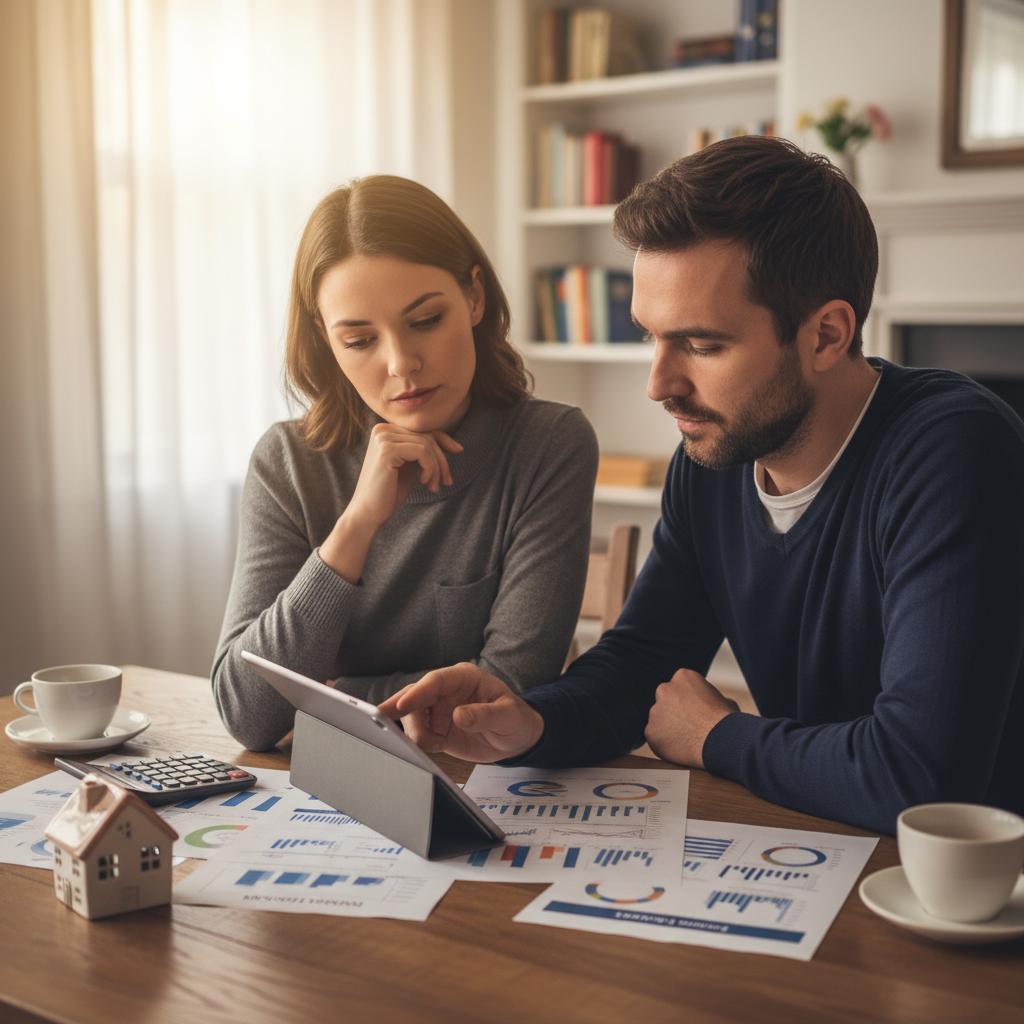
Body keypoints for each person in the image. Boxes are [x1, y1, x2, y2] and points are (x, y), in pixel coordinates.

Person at [380, 136, 1024, 835]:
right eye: (652, 338)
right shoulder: (714, 461)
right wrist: (529, 721)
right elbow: (643, 663)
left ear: (827, 334)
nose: (659, 385)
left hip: (974, 897)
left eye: (703, 345)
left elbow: (920, 777)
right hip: (824, 843)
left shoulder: (954, 450)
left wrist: (718, 736)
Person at [213, 175, 598, 751]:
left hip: (485, 786)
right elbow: (248, 713)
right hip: (326, 795)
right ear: (327, 338)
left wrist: (330, 693)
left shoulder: (549, 444)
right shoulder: (287, 461)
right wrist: (357, 523)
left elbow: (509, 692)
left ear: (473, 296)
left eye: (423, 321)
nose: (401, 364)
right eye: (360, 340)